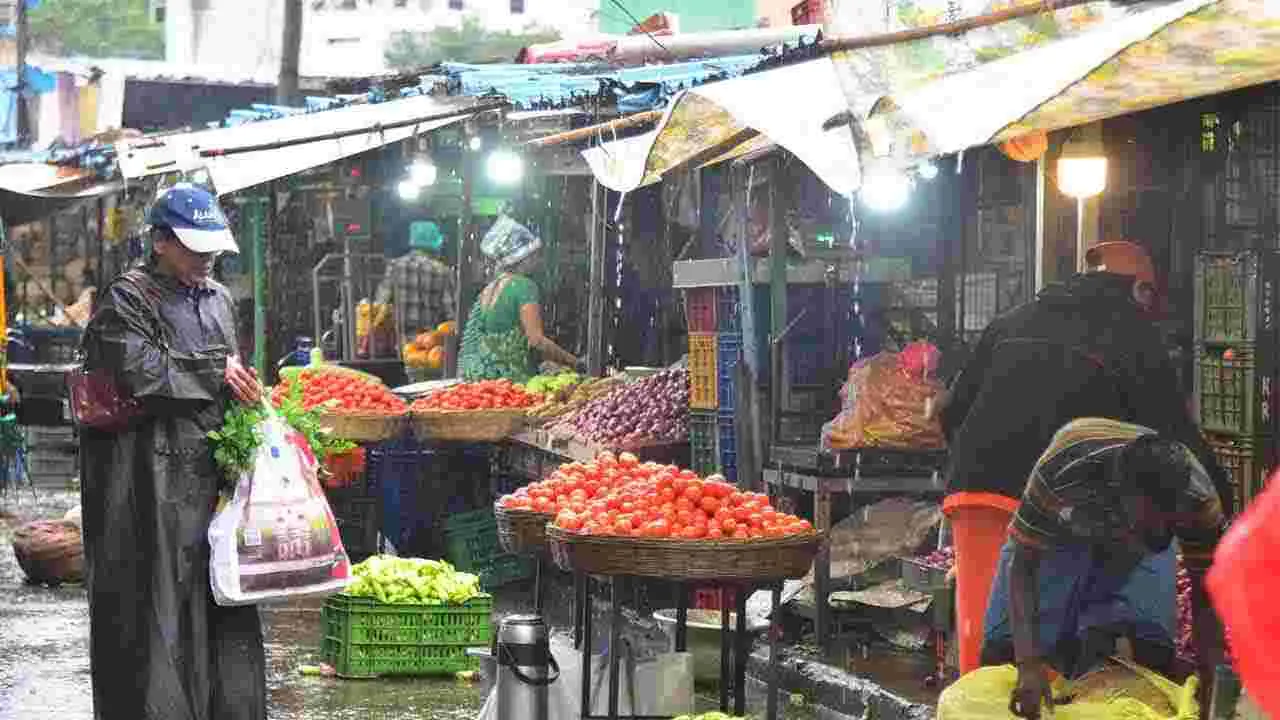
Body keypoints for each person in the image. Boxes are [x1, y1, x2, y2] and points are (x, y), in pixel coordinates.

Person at [936, 240, 1231, 673]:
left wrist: (971, 459)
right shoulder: (1133, 330)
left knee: (991, 637)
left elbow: (952, 409)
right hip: (1057, 490)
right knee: (1050, 640)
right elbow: (1174, 431)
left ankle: (981, 700)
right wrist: (1222, 501)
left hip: (975, 489)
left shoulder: (1013, 317)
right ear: (1140, 290)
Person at [79, 183, 266, 720]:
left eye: (211, 248)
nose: (206, 258)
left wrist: (251, 403)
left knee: (221, 608)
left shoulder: (219, 299)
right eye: (193, 246)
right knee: (154, 611)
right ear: (160, 241)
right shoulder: (127, 298)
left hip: (210, 478)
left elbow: (228, 373)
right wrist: (214, 371)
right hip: (147, 484)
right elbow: (139, 374)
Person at [985, 417, 1227, 720]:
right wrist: (1029, 664)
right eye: (1143, 524)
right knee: (1003, 649)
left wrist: (1210, 687)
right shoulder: (1065, 467)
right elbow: (1023, 565)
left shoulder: (1198, 504)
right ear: (1118, 493)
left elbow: (1207, 599)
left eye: (1164, 527)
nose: (1152, 530)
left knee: (1150, 650)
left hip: (1139, 534)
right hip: (1068, 522)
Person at [458, 214, 578, 381]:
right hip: (512, 381)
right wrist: (574, 362)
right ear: (522, 257)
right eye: (534, 254)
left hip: (485, 379)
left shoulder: (489, 289)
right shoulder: (524, 286)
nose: (538, 259)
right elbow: (536, 340)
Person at [375, 219, 456, 342]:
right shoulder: (443, 271)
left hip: (397, 346)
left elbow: (381, 305)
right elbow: (451, 315)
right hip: (427, 347)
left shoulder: (394, 266)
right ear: (435, 244)